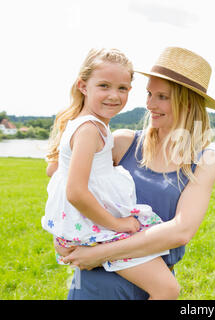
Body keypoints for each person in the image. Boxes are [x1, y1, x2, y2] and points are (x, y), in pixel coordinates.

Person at [55, 47, 215, 300]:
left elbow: (180, 231)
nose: (149, 104)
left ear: (188, 101)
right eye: (149, 93)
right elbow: (69, 183)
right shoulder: (122, 143)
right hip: (95, 283)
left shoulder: (204, 161)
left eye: (162, 97)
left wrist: (100, 253)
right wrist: (64, 236)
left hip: (151, 284)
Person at [43, 48, 180, 300]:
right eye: (104, 86)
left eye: (123, 88)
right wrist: (118, 224)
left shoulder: (84, 123)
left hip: (87, 224)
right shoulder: (90, 129)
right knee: (167, 289)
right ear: (83, 86)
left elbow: (55, 170)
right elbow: (75, 192)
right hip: (97, 229)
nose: (114, 96)